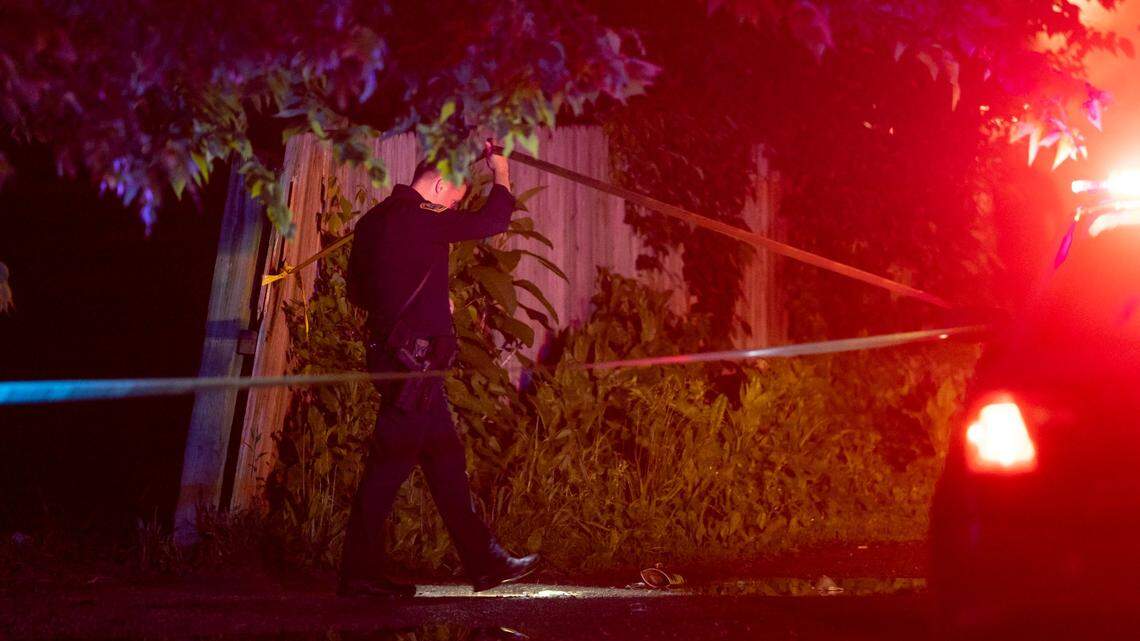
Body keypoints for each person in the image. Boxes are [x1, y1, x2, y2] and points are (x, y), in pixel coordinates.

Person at [339, 141, 539, 598]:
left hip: (399, 362)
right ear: (440, 182)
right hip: (416, 367)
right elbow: (493, 221)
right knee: (386, 471)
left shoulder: (374, 222)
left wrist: (424, 301)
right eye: (454, 197)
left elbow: (359, 289)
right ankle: (359, 576)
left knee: (446, 463)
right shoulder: (423, 219)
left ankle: (484, 562)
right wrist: (501, 171)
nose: (454, 206)